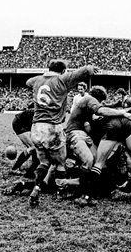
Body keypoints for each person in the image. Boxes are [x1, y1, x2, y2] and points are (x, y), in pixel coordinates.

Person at [25, 59, 98, 208]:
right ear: (63, 70)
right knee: (60, 162)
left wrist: (45, 77)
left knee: (44, 162)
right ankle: (60, 191)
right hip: (53, 126)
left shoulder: (38, 80)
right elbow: (83, 72)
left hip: (36, 127)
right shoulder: (62, 79)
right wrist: (91, 68)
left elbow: (28, 82)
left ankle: (36, 188)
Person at [66, 85, 131, 205]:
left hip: (80, 134)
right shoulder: (90, 99)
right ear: (99, 99)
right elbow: (100, 111)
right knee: (90, 160)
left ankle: (111, 191)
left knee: (100, 161)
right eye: (101, 102)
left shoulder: (85, 103)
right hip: (76, 134)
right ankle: (79, 192)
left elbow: (88, 124)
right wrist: (122, 113)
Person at [10, 102, 40, 178]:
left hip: (25, 123)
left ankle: (31, 170)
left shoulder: (40, 110)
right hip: (19, 123)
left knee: (36, 146)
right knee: (33, 147)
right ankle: (15, 169)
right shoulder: (40, 112)